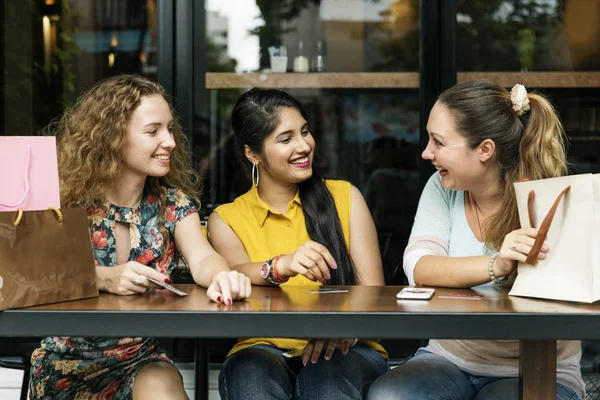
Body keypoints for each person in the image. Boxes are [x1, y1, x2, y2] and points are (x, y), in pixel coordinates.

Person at [29, 74, 251, 400]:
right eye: (153, 131)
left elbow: (203, 257)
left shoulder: (172, 204)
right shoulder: (65, 201)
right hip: (65, 362)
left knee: (161, 387)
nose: (171, 142)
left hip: (139, 358)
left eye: (170, 128)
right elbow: (34, 274)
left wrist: (222, 277)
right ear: (112, 137)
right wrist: (103, 277)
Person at [367, 80, 584, 400]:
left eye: (438, 142)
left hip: (537, 366)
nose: (426, 153)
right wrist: (497, 263)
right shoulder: (441, 187)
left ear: (484, 149)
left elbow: (563, 300)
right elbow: (418, 267)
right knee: (391, 394)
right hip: (449, 358)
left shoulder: (547, 194)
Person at [208, 88, 389, 399]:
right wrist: (282, 265)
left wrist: (339, 329)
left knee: (324, 381)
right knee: (251, 378)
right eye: (286, 138)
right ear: (252, 153)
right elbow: (235, 274)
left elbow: (373, 295)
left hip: (350, 345)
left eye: (304, 132)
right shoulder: (226, 219)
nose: (304, 145)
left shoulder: (345, 197)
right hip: (262, 347)